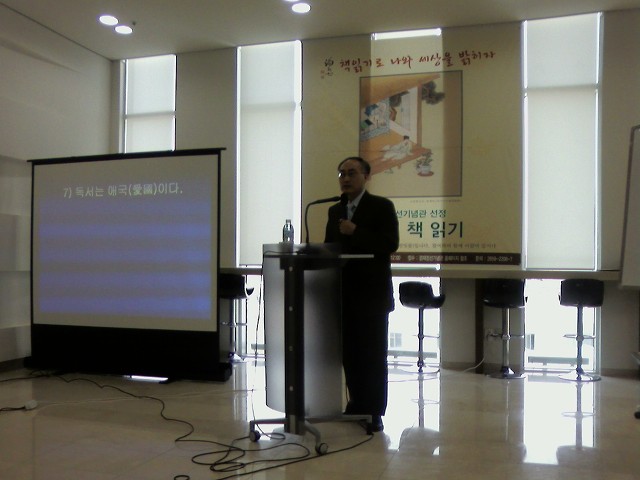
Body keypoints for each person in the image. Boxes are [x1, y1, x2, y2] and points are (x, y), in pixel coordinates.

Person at [324, 156, 399, 432]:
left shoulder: (381, 206)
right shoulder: (334, 210)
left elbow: (390, 243)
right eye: (341, 173)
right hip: (343, 295)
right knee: (351, 356)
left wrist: (355, 230)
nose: (345, 178)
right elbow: (329, 248)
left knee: (372, 357)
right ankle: (356, 405)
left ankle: (374, 412)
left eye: (351, 173)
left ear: (366, 176)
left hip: (372, 296)